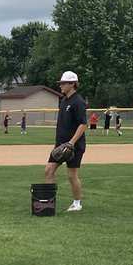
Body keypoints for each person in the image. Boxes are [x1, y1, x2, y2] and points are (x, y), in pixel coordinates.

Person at [43, 70, 87, 212]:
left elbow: (83, 124)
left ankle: (77, 203)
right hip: (60, 144)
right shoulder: (64, 100)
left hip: (74, 146)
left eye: (63, 83)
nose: (61, 86)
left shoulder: (78, 101)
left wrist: (71, 143)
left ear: (72, 84)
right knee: (48, 170)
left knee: (72, 175)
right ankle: (50, 203)